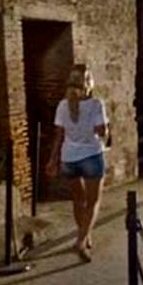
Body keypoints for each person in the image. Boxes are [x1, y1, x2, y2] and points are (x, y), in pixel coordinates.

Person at [47, 64, 109, 262]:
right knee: (93, 202)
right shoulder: (96, 104)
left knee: (78, 200)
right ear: (88, 84)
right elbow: (101, 131)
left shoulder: (62, 106)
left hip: (69, 158)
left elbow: (59, 136)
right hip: (91, 155)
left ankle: (85, 233)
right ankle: (81, 241)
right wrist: (107, 130)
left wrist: (53, 159)